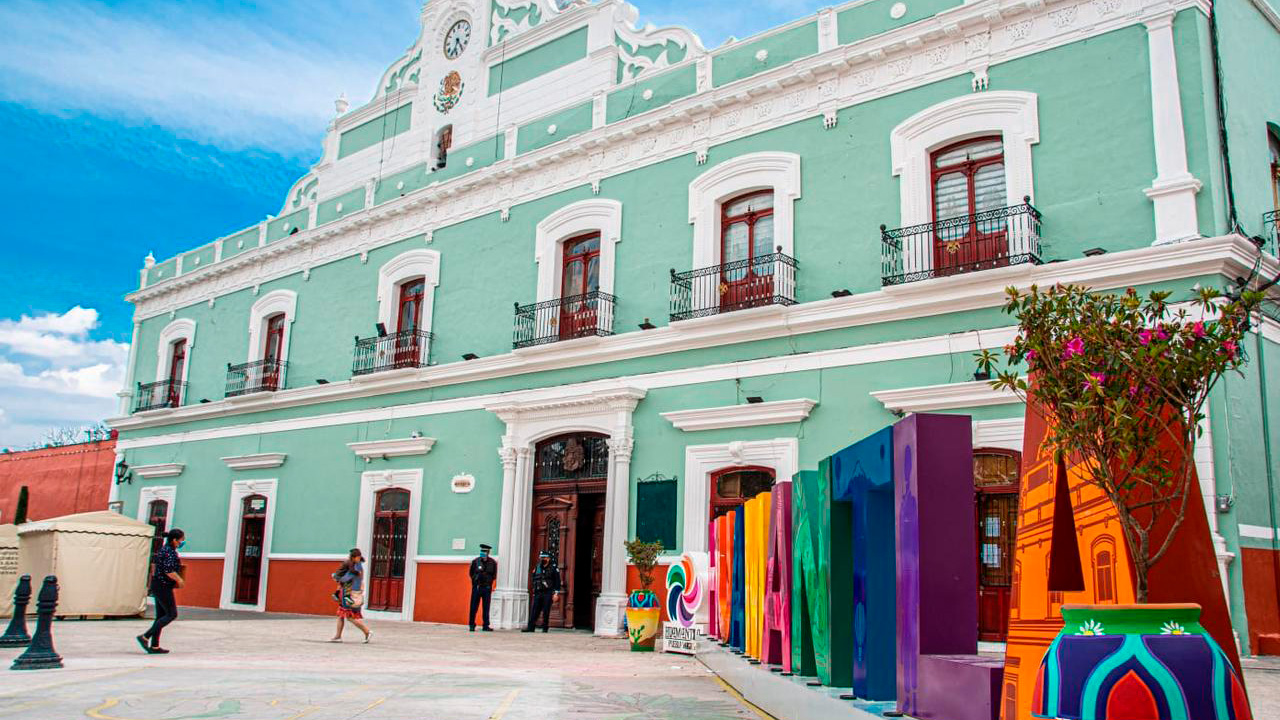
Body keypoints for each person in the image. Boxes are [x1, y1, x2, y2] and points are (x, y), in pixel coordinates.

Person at [136, 527, 185, 654]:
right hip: (163, 586)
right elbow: (168, 570)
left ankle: (155, 646)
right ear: (174, 540)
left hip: (158, 585)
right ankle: (145, 637)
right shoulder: (169, 552)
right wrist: (179, 580)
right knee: (171, 614)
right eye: (181, 540)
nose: (182, 542)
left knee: (161, 616)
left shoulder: (165, 549)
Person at [331, 548, 371, 643]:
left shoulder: (356, 566)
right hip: (349, 591)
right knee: (341, 615)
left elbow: (346, 578)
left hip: (350, 592)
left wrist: (337, 578)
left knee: (349, 616)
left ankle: (367, 632)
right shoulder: (356, 565)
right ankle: (338, 636)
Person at [523, 551, 560, 633]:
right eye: (541, 557)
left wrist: (556, 593)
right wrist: (534, 589)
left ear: (548, 558)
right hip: (538, 592)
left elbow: (557, 581)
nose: (542, 559)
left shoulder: (553, 568)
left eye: (544, 557)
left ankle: (545, 627)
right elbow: (534, 578)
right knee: (534, 610)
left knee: (546, 610)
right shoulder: (538, 567)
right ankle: (531, 627)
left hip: (548, 592)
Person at [468, 543, 497, 632]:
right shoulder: (475, 561)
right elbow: (471, 573)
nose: (483, 553)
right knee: (474, 606)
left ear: (488, 552)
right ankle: (472, 625)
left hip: (487, 587)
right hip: (477, 587)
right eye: (482, 551)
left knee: (486, 607)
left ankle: (486, 625)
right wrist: (475, 580)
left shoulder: (492, 562)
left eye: (484, 551)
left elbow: (494, 575)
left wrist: (488, 581)